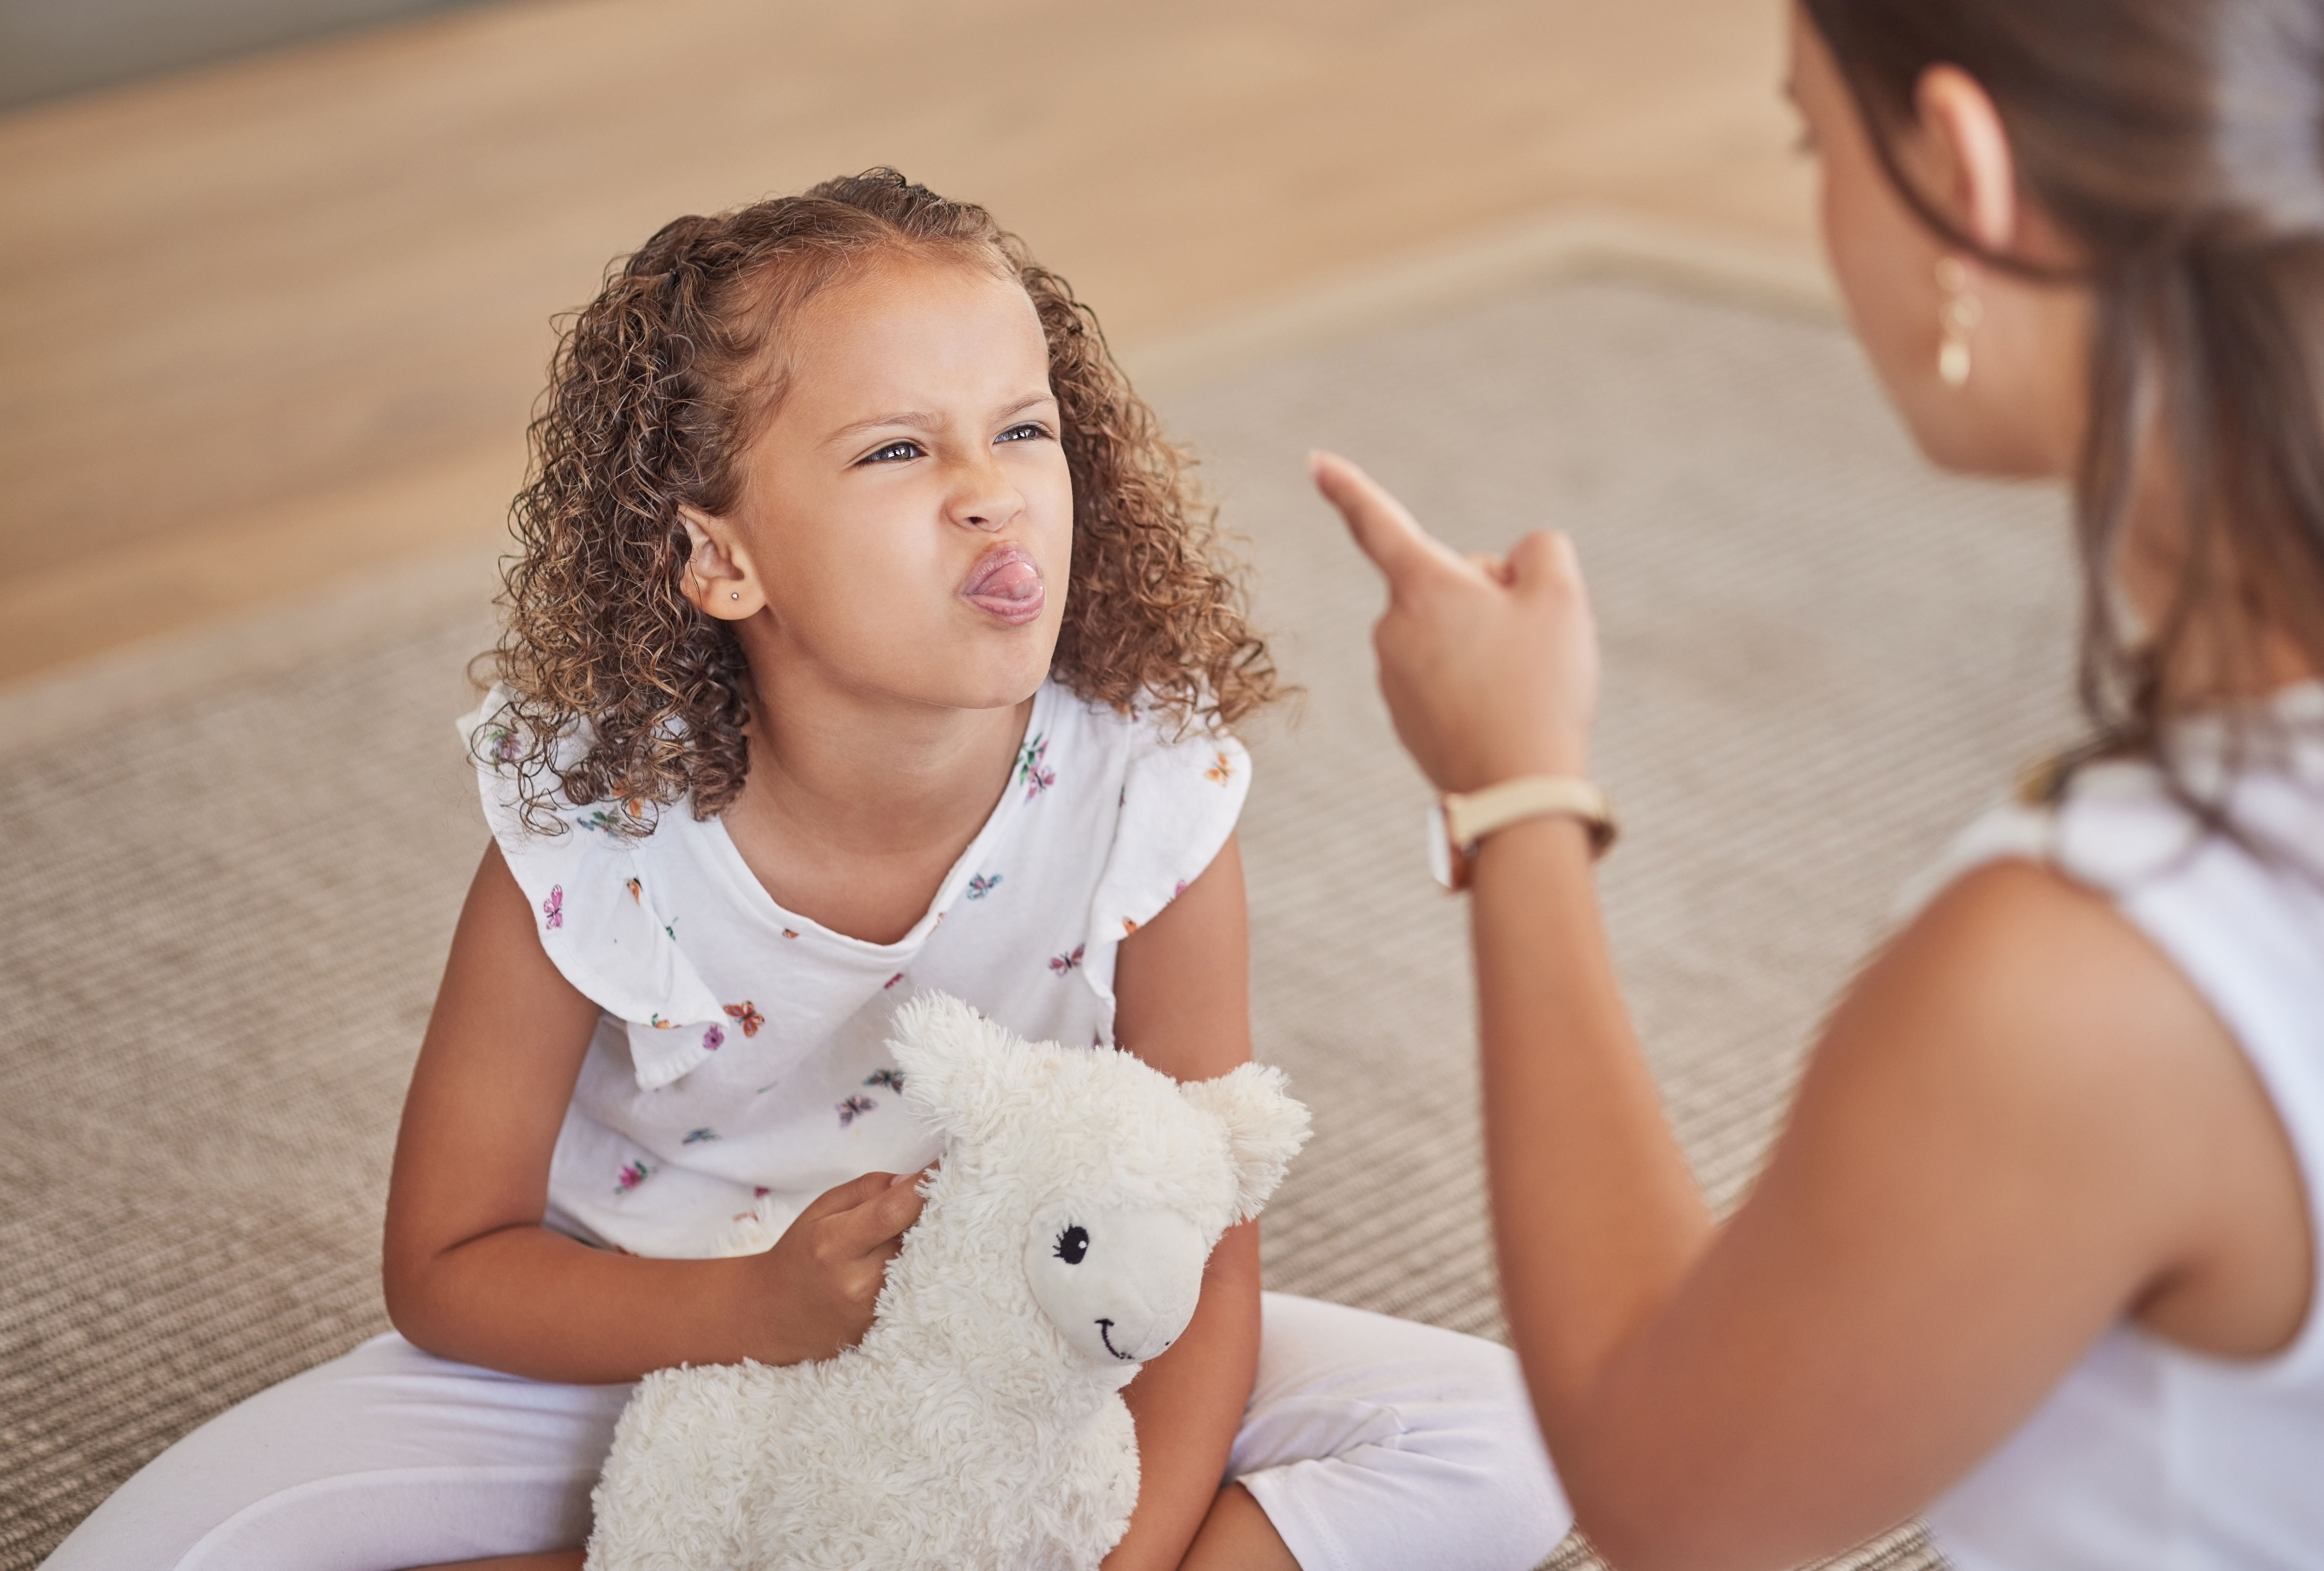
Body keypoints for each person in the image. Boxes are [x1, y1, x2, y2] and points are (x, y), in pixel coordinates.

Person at [42, 172, 1569, 1571]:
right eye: (899, 448)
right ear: (722, 559)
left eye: (1022, 428)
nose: (990, 490)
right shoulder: (596, 824)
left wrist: (1127, 1558)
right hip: (642, 1338)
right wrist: (752, 1307)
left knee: (1509, 1437)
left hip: (1032, 1338)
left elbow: (1201, 1247)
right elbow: (447, 1264)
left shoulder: (1144, 786)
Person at [1313, 3, 2324, 1568]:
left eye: (1811, 137)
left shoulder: (2090, 977)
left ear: (1962, 174)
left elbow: (1674, 1490)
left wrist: (1515, 789)